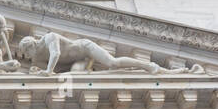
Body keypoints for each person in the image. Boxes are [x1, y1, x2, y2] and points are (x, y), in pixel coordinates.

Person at [17, 31, 163, 75]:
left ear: (31, 46)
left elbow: (56, 54)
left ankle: (148, 66)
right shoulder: (37, 58)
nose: (28, 57)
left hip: (85, 48)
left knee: (113, 63)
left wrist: (48, 71)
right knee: (74, 76)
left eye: (26, 53)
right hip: (79, 62)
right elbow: (48, 73)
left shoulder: (49, 37)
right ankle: (130, 72)